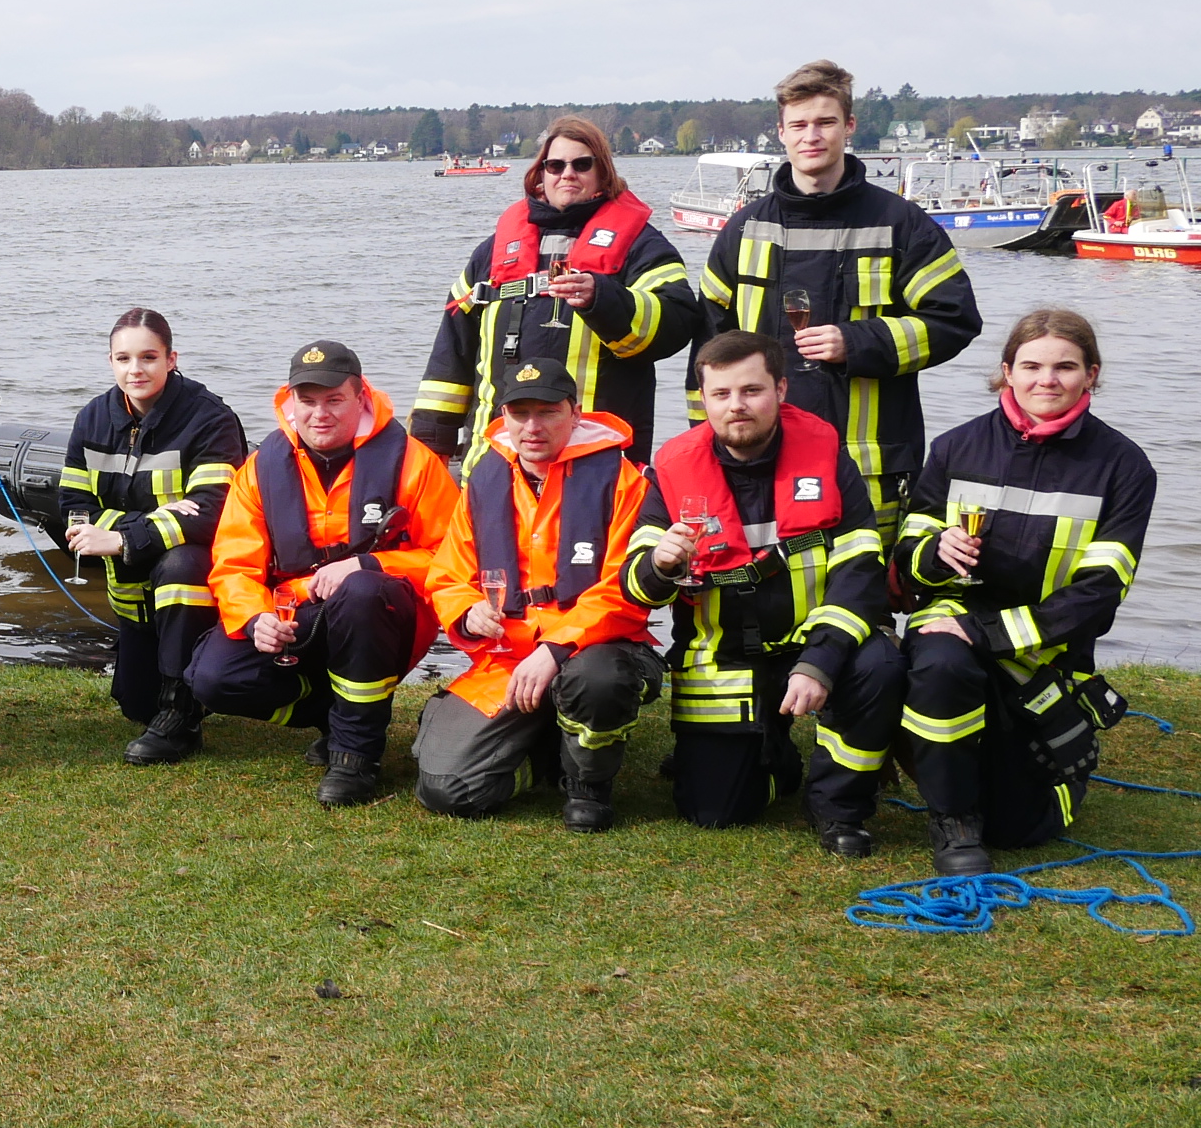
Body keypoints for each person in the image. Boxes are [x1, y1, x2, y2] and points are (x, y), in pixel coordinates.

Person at [894, 309, 1158, 875]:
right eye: (1032, 366)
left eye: (1065, 367)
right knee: (940, 664)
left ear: (1091, 374)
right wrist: (934, 555)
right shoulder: (955, 447)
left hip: (1045, 654)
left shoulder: (1124, 466)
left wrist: (988, 632)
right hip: (949, 630)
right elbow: (908, 556)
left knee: (1020, 831)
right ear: (1007, 372)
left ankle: (1006, 772)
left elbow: (1100, 592)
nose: (1047, 380)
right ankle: (952, 821)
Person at [623, 330, 903, 856]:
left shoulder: (829, 455)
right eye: (722, 395)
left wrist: (821, 660)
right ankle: (776, 760)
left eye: (751, 391)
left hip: (817, 640)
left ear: (780, 389)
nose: (737, 406)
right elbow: (637, 590)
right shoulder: (673, 468)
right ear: (703, 400)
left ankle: (838, 807)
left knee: (880, 664)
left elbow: (862, 571)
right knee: (712, 813)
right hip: (722, 652)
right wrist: (661, 564)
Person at [690, 60, 981, 523]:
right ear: (780, 132)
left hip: (869, 468)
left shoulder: (900, 224)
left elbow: (955, 319)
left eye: (825, 122)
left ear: (849, 127)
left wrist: (858, 342)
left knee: (867, 589)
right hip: (757, 462)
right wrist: (703, 445)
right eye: (799, 124)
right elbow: (706, 350)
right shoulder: (744, 230)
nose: (812, 136)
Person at [191, 340, 460, 807]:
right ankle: (336, 716)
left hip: (383, 615)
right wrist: (257, 619)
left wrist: (370, 562)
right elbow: (234, 563)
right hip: (298, 615)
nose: (321, 413)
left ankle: (355, 757)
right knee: (214, 679)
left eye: (335, 400)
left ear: (361, 397)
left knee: (359, 592)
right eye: (308, 401)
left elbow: (455, 561)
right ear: (290, 401)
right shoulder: (260, 468)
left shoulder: (415, 463)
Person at [413, 363, 665, 829]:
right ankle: (547, 761)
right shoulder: (482, 480)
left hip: (599, 648)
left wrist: (556, 648)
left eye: (548, 412)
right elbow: (448, 574)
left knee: (599, 680)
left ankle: (588, 785)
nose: (532, 427)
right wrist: (467, 613)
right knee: (446, 789)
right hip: (507, 656)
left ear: (575, 413)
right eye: (520, 412)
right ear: (502, 415)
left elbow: (624, 590)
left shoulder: (626, 481)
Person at [411, 116, 698, 469]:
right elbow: (449, 358)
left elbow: (677, 324)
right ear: (540, 174)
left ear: (602, 173)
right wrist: (429, 445)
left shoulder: (641, 246)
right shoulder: (494, 251)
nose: (567, 174)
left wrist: (604, 299)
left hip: (597, 468)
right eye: (555, 165)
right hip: (497, 464)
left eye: (581, 164)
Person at [59, 307, 247, 765]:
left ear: (171, 359)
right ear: (110, 362)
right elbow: (73, 511)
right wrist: (146, 525)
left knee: (183, 559)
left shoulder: (209, 420)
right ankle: (164, 695)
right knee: (134, 705)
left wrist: (122, 537)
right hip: (133, 587)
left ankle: (182, 711)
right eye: (123, 359)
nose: (135, 370)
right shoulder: (93, 418)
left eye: (148, 357)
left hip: (194, 578)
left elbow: (214, 512)